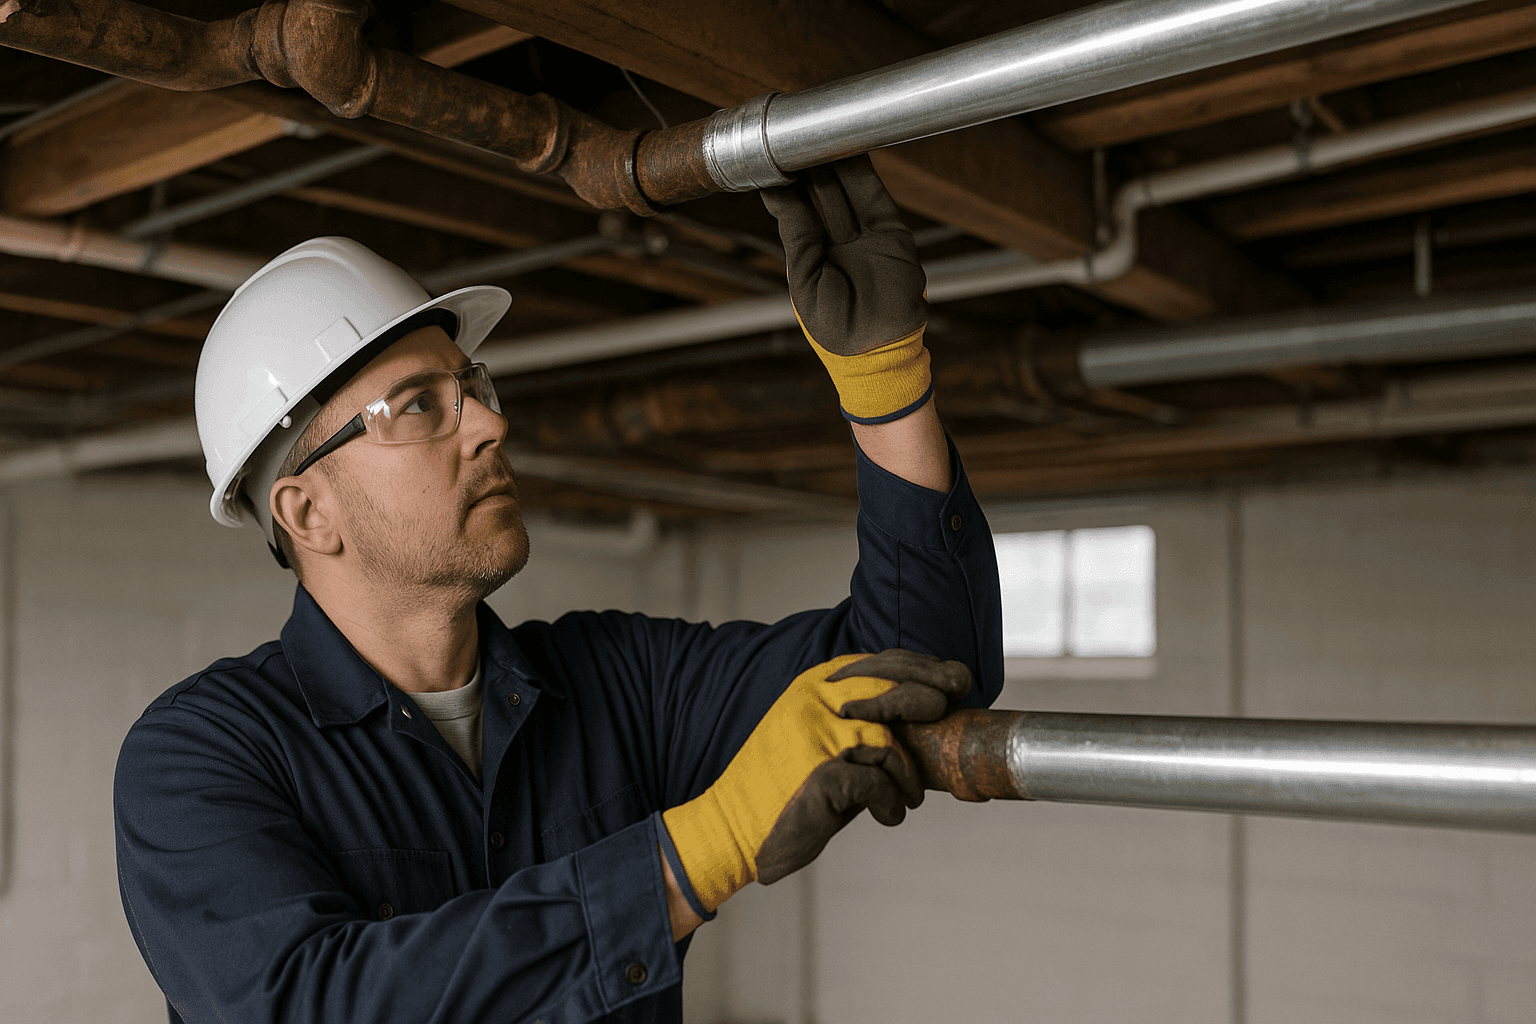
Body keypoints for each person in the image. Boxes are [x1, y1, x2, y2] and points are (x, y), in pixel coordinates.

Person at [114, 157, 1002, 1024]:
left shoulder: (618, 684)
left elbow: (922, 672)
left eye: (473, 386)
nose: (493, 424)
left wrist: (886, 387)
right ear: (307, 512)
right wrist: (695, 854)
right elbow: (309, 1002)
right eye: (420, 404)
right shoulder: (199, 759)